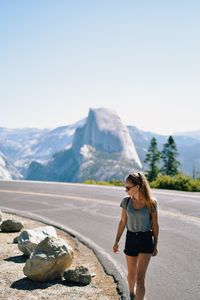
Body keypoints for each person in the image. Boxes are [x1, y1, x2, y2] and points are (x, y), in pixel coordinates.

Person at [113, 172, 159, 300]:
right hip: (131, 238)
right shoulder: (126, 202)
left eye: (128, 187)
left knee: (140, 277)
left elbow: (155, 225)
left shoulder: (151, 203)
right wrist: (116, 241)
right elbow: (122, 222)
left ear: (137, 186)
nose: (125, 190)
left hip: (145, 239)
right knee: (131, 275)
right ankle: (131, 294)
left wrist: (155, 244)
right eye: (125, 187)